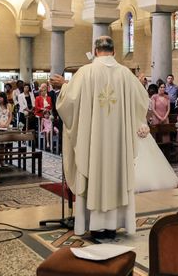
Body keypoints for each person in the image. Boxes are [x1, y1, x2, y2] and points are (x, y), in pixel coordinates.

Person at [52, 36, 150, 238]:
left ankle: (94, 225)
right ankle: (114, 225)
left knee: (93, 172)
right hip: (118, 144)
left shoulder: (85, 73)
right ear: (114, 51)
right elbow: (142, 100)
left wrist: (63, 86)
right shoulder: (125, 74)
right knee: (117, 174)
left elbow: (69, 102)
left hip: (93, 143)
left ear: (95, 51)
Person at [35, 83, 53, 152]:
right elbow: (36, 107)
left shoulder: (49, 98)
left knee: (50, 118)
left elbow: (50, 106)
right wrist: (43, 109)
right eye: (42, 91)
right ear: (40, 92)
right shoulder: (37, 98)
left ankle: (50, 143)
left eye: (45, 90)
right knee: (43, 118)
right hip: (40, 114)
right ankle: (44, 141)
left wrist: (47, 110)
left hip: (47, 113)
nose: (43, 92)